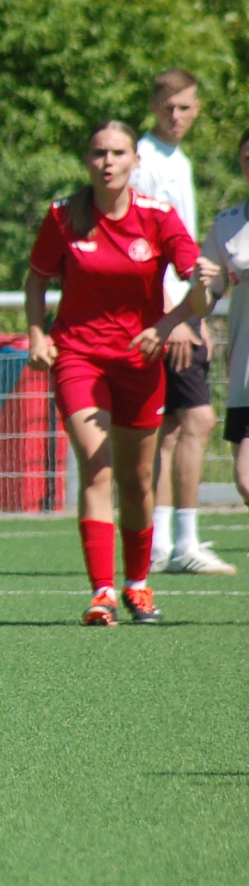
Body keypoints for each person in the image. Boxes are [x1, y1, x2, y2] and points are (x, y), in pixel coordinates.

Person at [25, 120, 213, 626]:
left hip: (139, 362)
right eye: (98, 153)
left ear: (136, 160)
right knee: (98, 464)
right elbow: (36, 280)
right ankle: (102, 592)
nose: (107, 162)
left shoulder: (158, 217)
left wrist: (174, 318)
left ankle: (138, 585)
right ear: (86, 160)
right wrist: (38, 334)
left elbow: (200, 294)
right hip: (78, 358)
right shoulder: (63, 215)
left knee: (136, 481)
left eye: (117, 153)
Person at [132, 69, 235, 574]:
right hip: (167, 313)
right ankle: (184, 545)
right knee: (198, 421)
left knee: (172, 429)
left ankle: (161, 545)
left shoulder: (179, 160)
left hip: (183, 310)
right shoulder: (145, 160)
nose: (177, 115)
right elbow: (141, 243)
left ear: (197, 109)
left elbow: (184, 248)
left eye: (186, 107)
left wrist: (200, 314)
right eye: (168, 106)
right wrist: (173, 318)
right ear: (154, 106)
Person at [194, 129, 249, 575]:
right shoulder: (228, 224)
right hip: (245, 370)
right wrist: (201, 285)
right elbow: (205, 298)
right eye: (248, 157)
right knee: (245, 480)